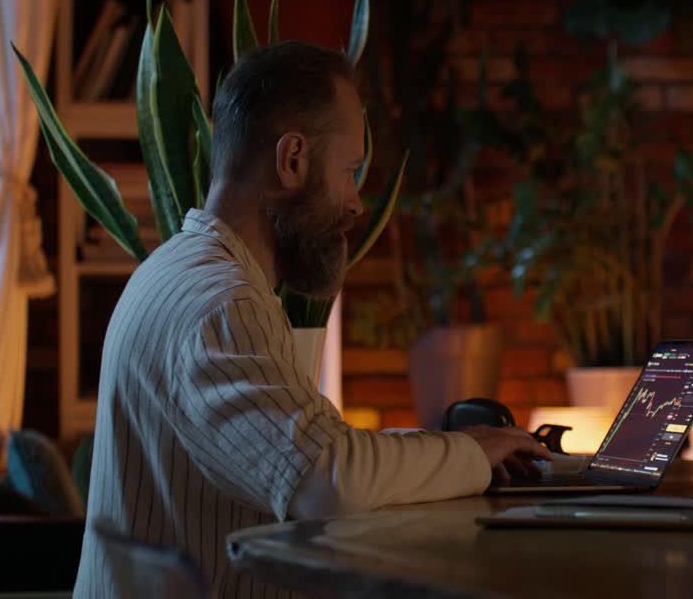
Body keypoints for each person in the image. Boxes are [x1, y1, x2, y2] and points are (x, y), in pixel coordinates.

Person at [75, 41, 552, 598]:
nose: (355, 203)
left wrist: (458, 448)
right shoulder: (222, 304)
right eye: (349, 171)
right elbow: (328, 482)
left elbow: (315, 449)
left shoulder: (175, 270)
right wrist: (473, 454)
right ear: (293, 160)